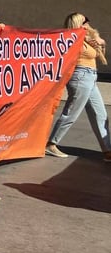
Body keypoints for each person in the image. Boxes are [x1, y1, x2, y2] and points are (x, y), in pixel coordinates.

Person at [46, 13, 111, 161]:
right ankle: (51, 143)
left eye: (88, 20)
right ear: (77, 24)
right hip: (80, 76)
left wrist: (101, 43)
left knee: (100, 114)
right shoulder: (73, 39)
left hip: (91, 77)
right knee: (71, 113)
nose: (88, 23)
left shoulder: (88, 38)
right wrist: (86, 38)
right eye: (84, 21)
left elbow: (98, 55)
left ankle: (108, 150)